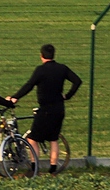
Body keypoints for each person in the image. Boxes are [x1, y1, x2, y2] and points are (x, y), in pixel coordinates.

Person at [8, 44, 81, 174]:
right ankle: (53, 168)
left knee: (32, 139)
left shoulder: (40, 70)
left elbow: (29, 85)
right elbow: (77, 81)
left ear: (41, 55)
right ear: (53, 55)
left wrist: (15, 97)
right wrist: (67, 96)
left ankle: (34, 166)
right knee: (53, 139)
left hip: (46, 109)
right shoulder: (62, 68)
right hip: (59, 108)